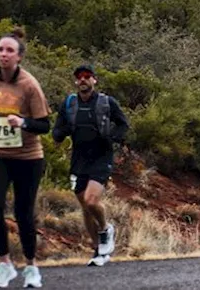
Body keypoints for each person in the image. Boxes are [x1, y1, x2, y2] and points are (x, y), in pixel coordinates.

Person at [0, 28, 51, 289]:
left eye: (9, 50)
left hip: (28, 156)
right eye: (0, 50)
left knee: (23, 213)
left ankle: (31, 267)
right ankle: (5, 264)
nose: (4, 54)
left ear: (19, 57)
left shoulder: (29, 85)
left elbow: (44, 125)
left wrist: (23, 122)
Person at [52, 64, 129, 266]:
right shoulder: (69, 103)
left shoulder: (106, 102)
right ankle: (98, 252)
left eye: (87, 76)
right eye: (79, 77)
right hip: (79, 158)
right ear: (76, 81)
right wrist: (59, 135)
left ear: (94, 80)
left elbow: (123, 123)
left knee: (92, 200)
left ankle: (105, 229)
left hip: (101, 157)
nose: (83, 80)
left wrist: (114, 138)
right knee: (85, 207)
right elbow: (58, 128)